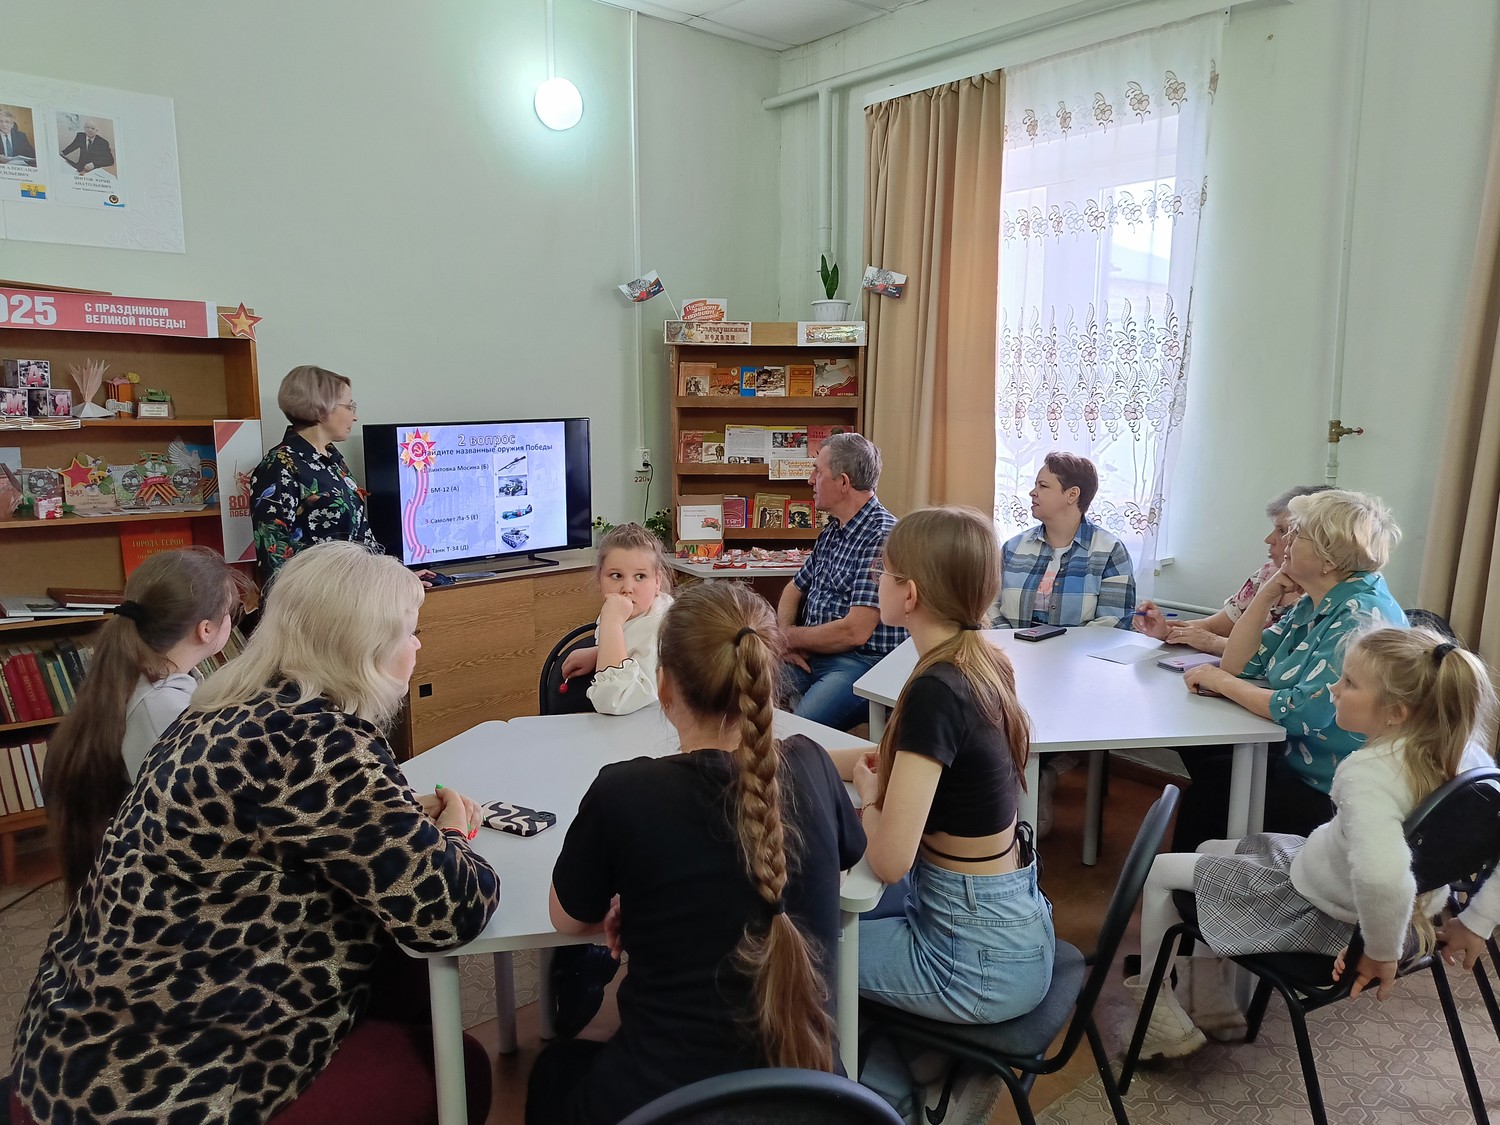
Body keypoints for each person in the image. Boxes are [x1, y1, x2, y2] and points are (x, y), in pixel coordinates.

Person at [10, 542, 500, 1125]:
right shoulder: (319, 741)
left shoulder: (216, 707)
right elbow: (450, 911)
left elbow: (286, 823)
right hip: (159, 1085)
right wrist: (453, 833)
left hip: (70, 1049)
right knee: (460, 1070)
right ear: (367, 646)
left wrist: (395, 813)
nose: (417, 646)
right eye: (410, 632)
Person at [526, 582, 866, 1125]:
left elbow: (568, 919)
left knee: (551, 1072)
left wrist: (641, 900)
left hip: (666, 1104)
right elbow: (835, 870)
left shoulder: (624, 792)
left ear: (663, 685)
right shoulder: (813, 764)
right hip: (818, 1101)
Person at [1126, 626, 1500, 1060]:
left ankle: (1155, 1013)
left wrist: (1380, 952)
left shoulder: (1370, 774)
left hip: (1325, 908)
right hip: (1353, 885)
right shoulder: (1471, 758)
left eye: (1349, 683)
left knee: (1160, 871)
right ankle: (1209, 995)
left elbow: (1383, 878)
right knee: (1209, 846)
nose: (1333, 689)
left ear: (1396, 713)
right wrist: (1477, 922)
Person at [828, 508, 1053, 1112]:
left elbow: (889, 860)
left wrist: (870, 797)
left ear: (910, 594)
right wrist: (788, 753)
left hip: (974, 961)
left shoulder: (935, 689)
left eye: (884, 570)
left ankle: (894, 1101)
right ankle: (932, 1064)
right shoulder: (978, 660)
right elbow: (885, 758)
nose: (876, 578)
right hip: (1007, 927)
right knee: (856, 917)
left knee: (801, 953)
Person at [1170, 489, 1406, 851]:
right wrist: (1267, 593)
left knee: (1212, 791)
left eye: (1296, 534)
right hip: (1300, 759)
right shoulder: (1318, 600)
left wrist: (1220, 681)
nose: (1285, 542)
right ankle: (1214, 872)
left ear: (1327, 558)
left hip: (1338, 793)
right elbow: (1241, 664)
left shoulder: (1358, 618)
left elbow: (1302, 712)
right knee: (1211, 764)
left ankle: (1210, 878)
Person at [43, 546, 252, 900]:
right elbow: (204, 821)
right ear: (206, 630)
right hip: (161, 889)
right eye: (232, 612)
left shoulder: (137, 678)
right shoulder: (162, 708)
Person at [778, 432, 906, 730]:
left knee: (798, 731)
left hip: (861, 663)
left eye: (818, 472)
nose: (810, 480)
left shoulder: (882, 537)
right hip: (812, 654)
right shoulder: (833, 531)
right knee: (733, 689)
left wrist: (786, 638)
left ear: (843, 482)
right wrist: (786, 640)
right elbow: (793, 589)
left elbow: (855, 632)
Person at [1135, 485, 1332, 654]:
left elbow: (1279, 657)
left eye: (1283, 531)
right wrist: (1164, 630)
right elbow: (1213, 626)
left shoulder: (1330, 597)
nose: (1269, 539)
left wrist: (1212, 643)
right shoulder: (1268, 574)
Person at [251, 365, 385, 584]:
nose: (355, 416)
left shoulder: (333, 460)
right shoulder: (280, 465)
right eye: (349, 406)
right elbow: (273, 556)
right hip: (314, 598)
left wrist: (394, 577)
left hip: (353, 592)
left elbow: (361, 534)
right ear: (322, 408)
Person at [995, 451, 1136, 629]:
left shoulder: (1110, 551)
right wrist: (1007, 640)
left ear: (1072, 494)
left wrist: (1061, 646)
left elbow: (1113, 622)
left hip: (1081, 649)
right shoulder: (1012, 548)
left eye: (1043, 486)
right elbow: (989, 605)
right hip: (1009, 646)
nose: (1032, 493)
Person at [557, 522, 674, 716]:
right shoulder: (629, 612)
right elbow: (633, 645)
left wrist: (611, 624)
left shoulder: (660, 628)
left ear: (657, 582)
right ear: (600, 580)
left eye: (640, 576)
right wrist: (599, 653)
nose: (627, 588)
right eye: (616, 575)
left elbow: (614, 700)